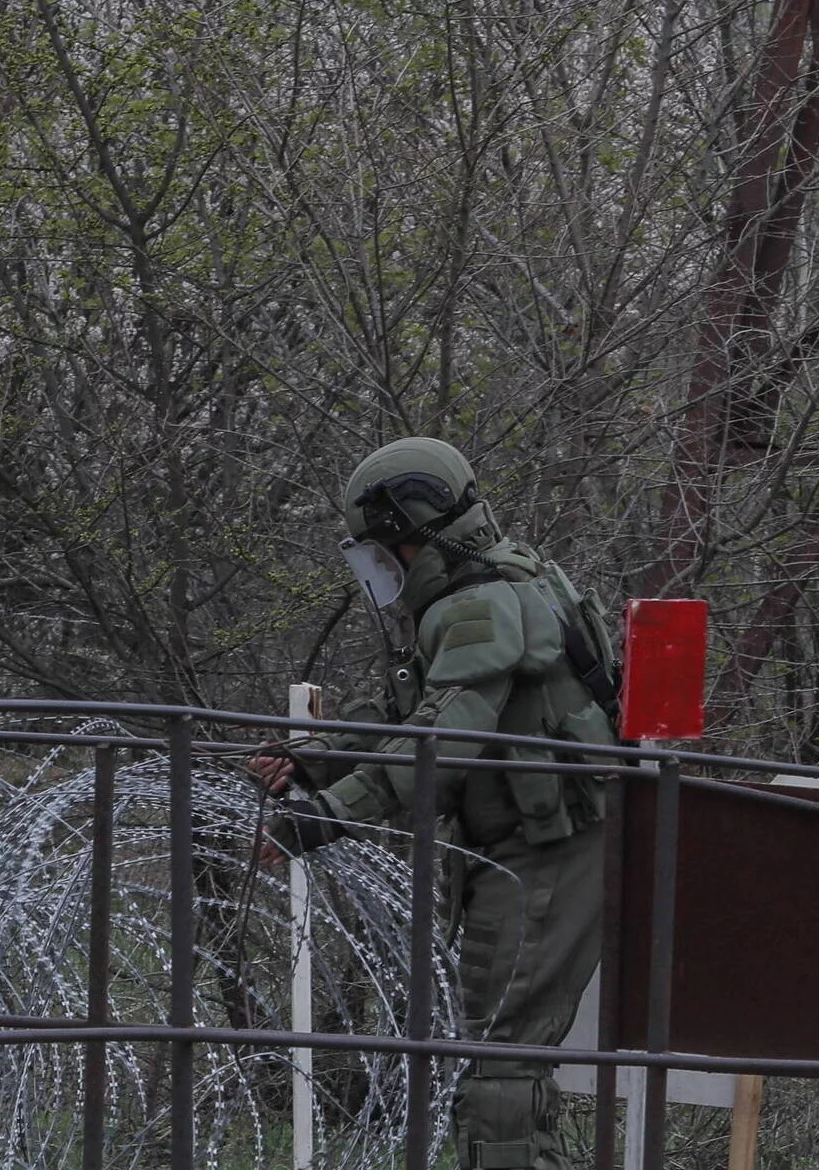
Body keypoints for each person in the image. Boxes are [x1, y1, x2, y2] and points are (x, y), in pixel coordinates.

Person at [250, 437, 619, 1170]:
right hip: (520, 848)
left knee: (499, 1070)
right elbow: (416, 714)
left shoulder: (484, 605)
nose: (385, 575)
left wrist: (324, 819)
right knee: (487, 1058)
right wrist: (315, 760)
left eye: (388, 554)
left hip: (544, 853)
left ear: (415, 535)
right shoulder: (494, 587)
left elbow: (441, 743)